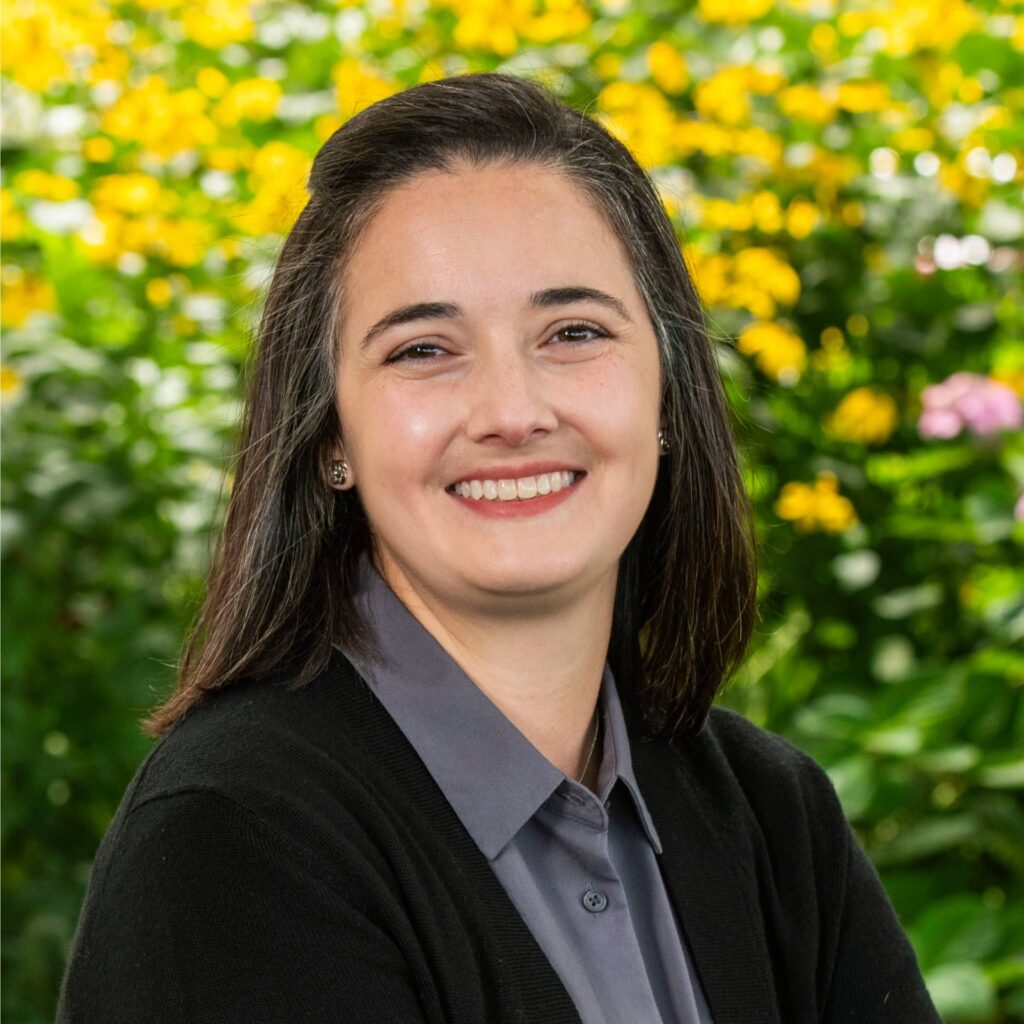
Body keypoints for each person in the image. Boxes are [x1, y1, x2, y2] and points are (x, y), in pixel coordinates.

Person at [57, 72, 940, 1023]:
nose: (513, 413)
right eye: (423, 350)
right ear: (331, 438)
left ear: (668, 396)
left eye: (573, 331)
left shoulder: (775, 821)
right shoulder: (230, 842)